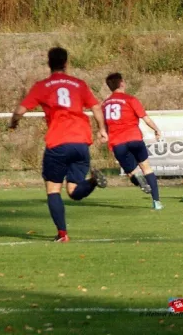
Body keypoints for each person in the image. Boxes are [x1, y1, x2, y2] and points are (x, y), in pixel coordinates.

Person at [9, 47, 108, 242]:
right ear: (66, 63)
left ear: (49, 63)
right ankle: (93, 181)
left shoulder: (43, 86)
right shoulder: (79, 84)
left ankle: (62, 234)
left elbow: (21, 109)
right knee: (73, 191)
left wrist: (14, 122)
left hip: (58, 143)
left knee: (53, 190)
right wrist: (102, 129)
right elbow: (96, 106)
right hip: (81, 143)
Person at [102, 72, 163, 210]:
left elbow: (105, 126)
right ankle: (156, 202)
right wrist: (156, 129)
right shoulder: (130, 99)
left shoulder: (105, 104)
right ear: (122, 83)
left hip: (117, 143)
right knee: (146, 167)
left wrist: (104, 135)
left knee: (131, 172)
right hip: (134, 138)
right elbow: (145, 118)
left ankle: (139, 181)